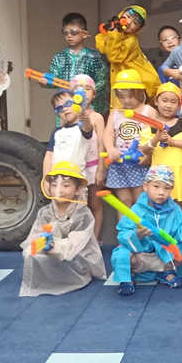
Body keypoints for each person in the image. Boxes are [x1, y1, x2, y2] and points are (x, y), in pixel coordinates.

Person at [110, 165, 182, 296]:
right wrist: (136, 235)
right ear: (145, 186)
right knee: (121, 254)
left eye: (166, 188)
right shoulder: (136, 210)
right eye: (156, 186)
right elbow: (123, 234)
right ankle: (128, 278)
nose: (161, 192)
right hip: (141, 255)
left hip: (165, 256)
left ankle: (166, 272)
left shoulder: (175, 209)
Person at [19, 161, 106, 297]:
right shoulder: (45, 212)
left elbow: (76, 244)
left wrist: (56, 246)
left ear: (77, 189)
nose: (59, 190)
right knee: (31, 252)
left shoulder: (82, 213)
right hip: (51, 251)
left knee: (71, 257)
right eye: (54, 185)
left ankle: (70, 278)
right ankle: (48, 277)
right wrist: (40, 244)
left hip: (75, 257)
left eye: (66, 185)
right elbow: (35, 236)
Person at [140, 82, 182, 221]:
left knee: (181, 209)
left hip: (179, 172)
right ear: (156, 101)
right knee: (158, 210)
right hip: (159, 174)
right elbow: (144, 149)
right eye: (164, 100)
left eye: (173, 102)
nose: (168, 105)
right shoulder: (151, 125)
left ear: (178, 105)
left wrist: (172, 142)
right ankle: (160, 235)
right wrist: (156, 138)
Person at [102, 69, 151, 208]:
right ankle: (124, 223)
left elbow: (154, 136)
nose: (126, 100)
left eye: (131, 96)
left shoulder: (148, 111)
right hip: (119, 163)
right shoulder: (115, 113)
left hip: (139, 163)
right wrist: (110, 148)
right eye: (122, 97)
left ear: (140, 93)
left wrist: (148, 155)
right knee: (123, 201)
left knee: (140, 200)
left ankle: (140, 223)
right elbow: (108, 134)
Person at [96, 4, 160, 107]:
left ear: (138, 29)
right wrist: (108, 31)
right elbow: (102, 47)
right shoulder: (117, 33)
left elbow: (114, 57)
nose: (129, 22)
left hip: (137, 82)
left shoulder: (131, 40)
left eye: (135, 23)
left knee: (133, 110)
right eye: (128, 16)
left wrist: (115, 33)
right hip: (123, 81)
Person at [68, 75, 106, 240]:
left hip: (93, 166)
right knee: (77, 204)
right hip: (75, 167)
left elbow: (101, 144)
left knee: (95, 203)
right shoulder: (68, 115)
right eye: (78, 88)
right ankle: (79, 240)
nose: (83, 92)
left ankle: (95, 240)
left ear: (94, 94)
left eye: (88, 89)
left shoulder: (97, 117)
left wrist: (101, 168)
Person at [49, 12, 110, 114]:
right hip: (66, 107)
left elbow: (102, 81)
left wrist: (86, 93)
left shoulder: (94, 57)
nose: (69, 36)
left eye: (73, 32)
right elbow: (55, 80)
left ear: (85, 34)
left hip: (90, 108)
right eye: (65, 33)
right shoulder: (59, 58)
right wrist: (46, 82)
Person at [43, 89, 94, 184]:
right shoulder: (57, 132)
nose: (64, 109)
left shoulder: (82, 128)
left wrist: (83, 114)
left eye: (68, 104)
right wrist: (45, 179)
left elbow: (87, 127)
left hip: (77, 180)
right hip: (56, 180)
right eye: (59, 108)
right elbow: (49, 156)